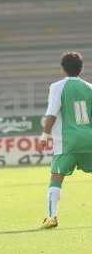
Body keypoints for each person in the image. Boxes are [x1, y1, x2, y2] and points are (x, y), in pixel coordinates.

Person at [37, 51, 92, 229]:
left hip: (68, 141)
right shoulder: (90, 87)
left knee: (56, 177)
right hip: (89, 139)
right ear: (81, 68)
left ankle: (52, 217)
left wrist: (45, 135)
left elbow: (52, 113)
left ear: (63, 69)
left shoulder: (57, 86)